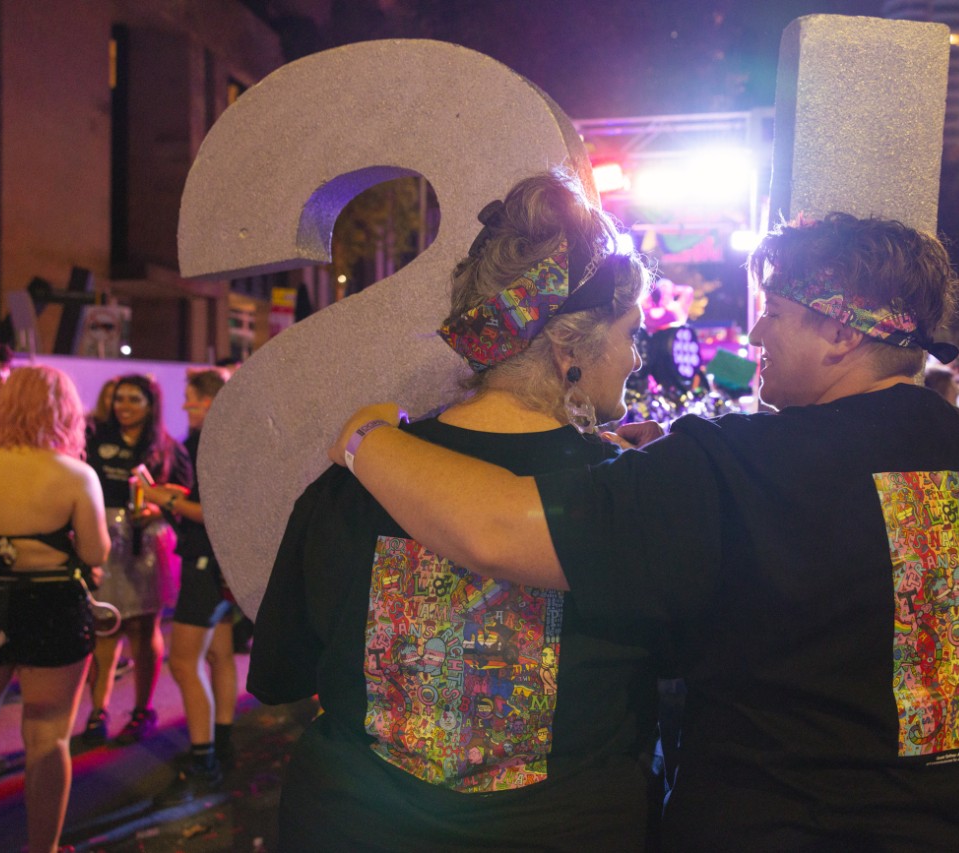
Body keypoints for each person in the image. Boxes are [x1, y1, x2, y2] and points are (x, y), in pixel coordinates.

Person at [333, 212, 959, 849]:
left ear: (837, 331)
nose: (755, 328)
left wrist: (369, 438)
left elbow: (498, 528)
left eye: (777, 312)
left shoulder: (746, 463)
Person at [248, 171, 666, 850]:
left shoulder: (360, 477)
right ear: (568, 346)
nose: (634, 355)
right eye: (629, 332)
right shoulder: (631, 496)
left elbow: (281, 671)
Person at [0, 365, 110, 853]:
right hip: (52, 606)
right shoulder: (75, 475)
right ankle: (43, 847)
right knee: (47, 736)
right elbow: (95, 553)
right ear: (63, 411)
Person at [139, 367, 238, 804]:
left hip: (204, 560)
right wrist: (183, 495)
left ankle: (204, 761)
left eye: (191, 398)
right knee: (220, 654)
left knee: (183, 663)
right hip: (221, 561)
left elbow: (214, 511)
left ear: (211, 400)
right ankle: (223, 743)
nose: (184, 406)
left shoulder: (211, 440)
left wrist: (169, 499)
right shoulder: (235, 439)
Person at [81, 374, 192, 745]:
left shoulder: (167, 447)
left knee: (145, 629)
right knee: (104, 627)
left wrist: (158, 511)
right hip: (104, 539)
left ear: (150, 405)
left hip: (147, 546)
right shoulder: (95, 439)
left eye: (133, 400)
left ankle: (142, 710)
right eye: (119, 399)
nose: (123, 407)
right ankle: (98, 710)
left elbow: (186, 495)